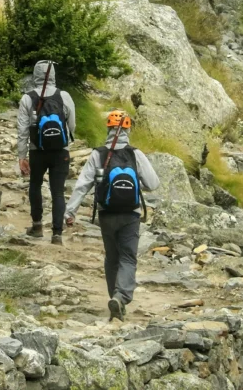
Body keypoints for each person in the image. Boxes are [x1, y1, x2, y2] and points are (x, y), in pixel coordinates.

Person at [64, 110, 160, 321]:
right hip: (130, 214)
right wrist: (136, 187)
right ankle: (121, 296)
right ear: (127, 129)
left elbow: (82, 185)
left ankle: (114, 298)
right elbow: (153, 184)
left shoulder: (98, 154)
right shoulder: (135, 154)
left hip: (106, 214)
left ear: (108, 129)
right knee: (128, 257)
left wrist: (70, 211)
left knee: (112, 258)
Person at [17, 60, 76, 245]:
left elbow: (22, 130)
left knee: (35, 186)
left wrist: (22, 156)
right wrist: (66, 143)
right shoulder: (64, 96)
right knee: (58, 192)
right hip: (60, 151)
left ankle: (37, 226)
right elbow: (72, 124)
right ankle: (57, 234)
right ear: (53, 76)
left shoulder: (27, 98)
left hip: (37, 151)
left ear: (35, 75)